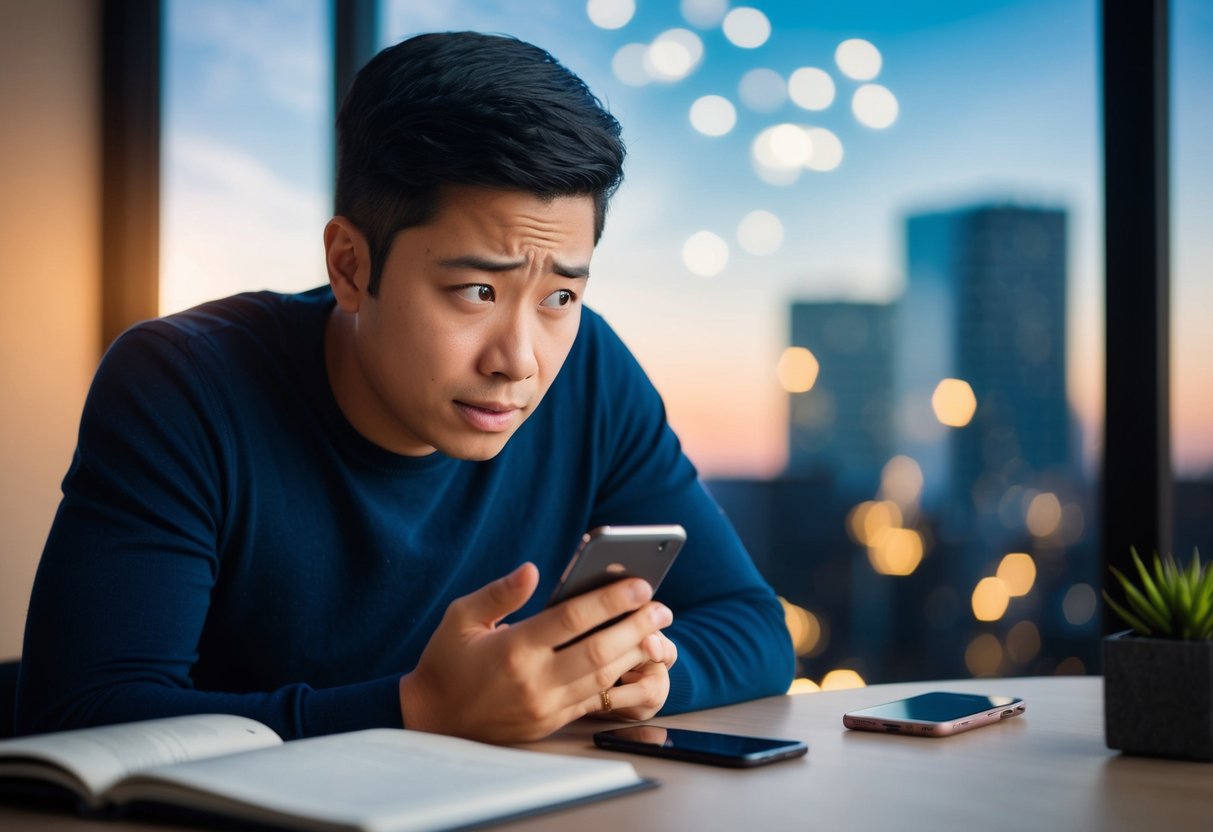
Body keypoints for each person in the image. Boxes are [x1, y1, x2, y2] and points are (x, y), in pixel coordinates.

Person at [16, 31, 794, 743]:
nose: (519, 361)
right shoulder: (183, 386)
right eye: (476, 293)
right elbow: (83, 714)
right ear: (351, 266)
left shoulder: (589, 371)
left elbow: (751, 627)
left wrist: (626, 679)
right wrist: (418, 711)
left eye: (560, 296)